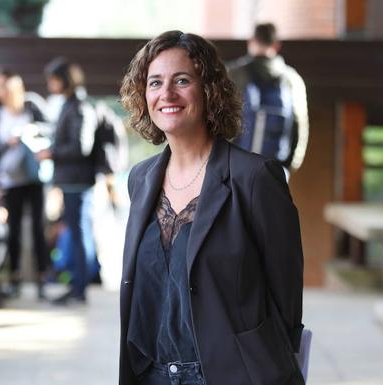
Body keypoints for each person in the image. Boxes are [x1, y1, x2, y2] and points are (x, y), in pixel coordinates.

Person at [118, 30, 305, 385]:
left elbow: (286, 297)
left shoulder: (255, 178)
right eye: (155, 82)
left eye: (182, 80)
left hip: (228, 375)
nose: (167, 94)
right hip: (150, 375)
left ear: (209, 90)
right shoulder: (140, 180)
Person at [0, 68, 51, 300]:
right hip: (10, 180)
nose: (0, 92)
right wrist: (9, 144)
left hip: (35, 177)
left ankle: (42, 277)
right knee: (12, 230)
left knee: (38, 229)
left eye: (3, 86)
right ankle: (14, 277)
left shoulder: (32, 105)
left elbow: (51, 129)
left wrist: (30, 133)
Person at [37, 57, 98, 305]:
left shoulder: (79, 106)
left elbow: (81, 146)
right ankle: (77, 286)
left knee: (78, 234)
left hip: (77, 180)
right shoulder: (71, 105)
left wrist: (51, 152)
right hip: (72, 180)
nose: (50, 84)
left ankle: (79, 288)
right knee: (75, 233)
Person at [227, 22, 309, 181]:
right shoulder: (292, 79)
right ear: (276, 45)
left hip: (237, 168)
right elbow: (300, 124)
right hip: (276, 169)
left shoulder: (234, 74)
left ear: (251, 41)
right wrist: (291, 164)